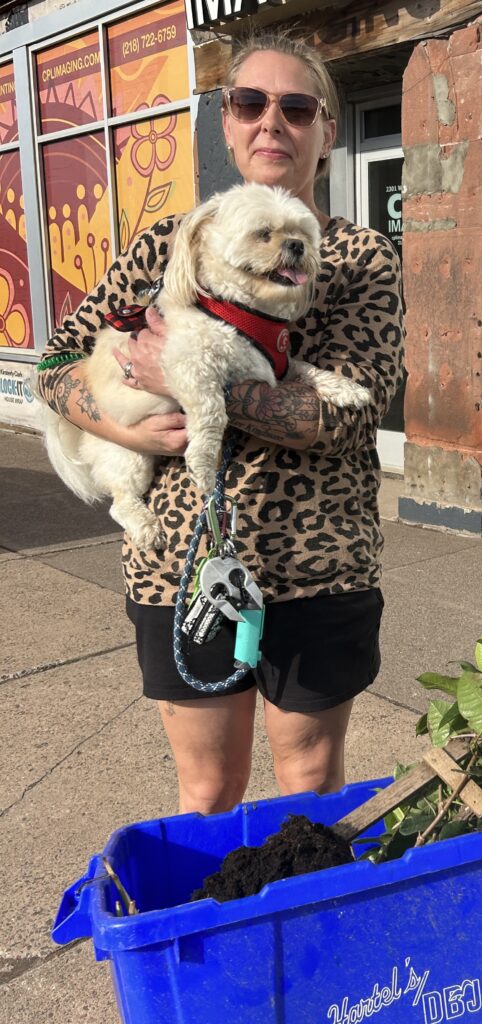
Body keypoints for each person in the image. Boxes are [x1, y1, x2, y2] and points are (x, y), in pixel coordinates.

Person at [36, 33, 404, 815]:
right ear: (228, 124)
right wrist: (124, 429)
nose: (273, 122)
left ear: (327, 132)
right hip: (180, 562)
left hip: (321, 566)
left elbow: (352, 413)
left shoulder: (359, 256)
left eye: (297, 107)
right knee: (208, 790)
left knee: (309, 784)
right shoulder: (170, 244)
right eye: (250, 103)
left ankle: (298, 925)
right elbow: (55, 364)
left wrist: (197, 382)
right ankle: (224, 933)